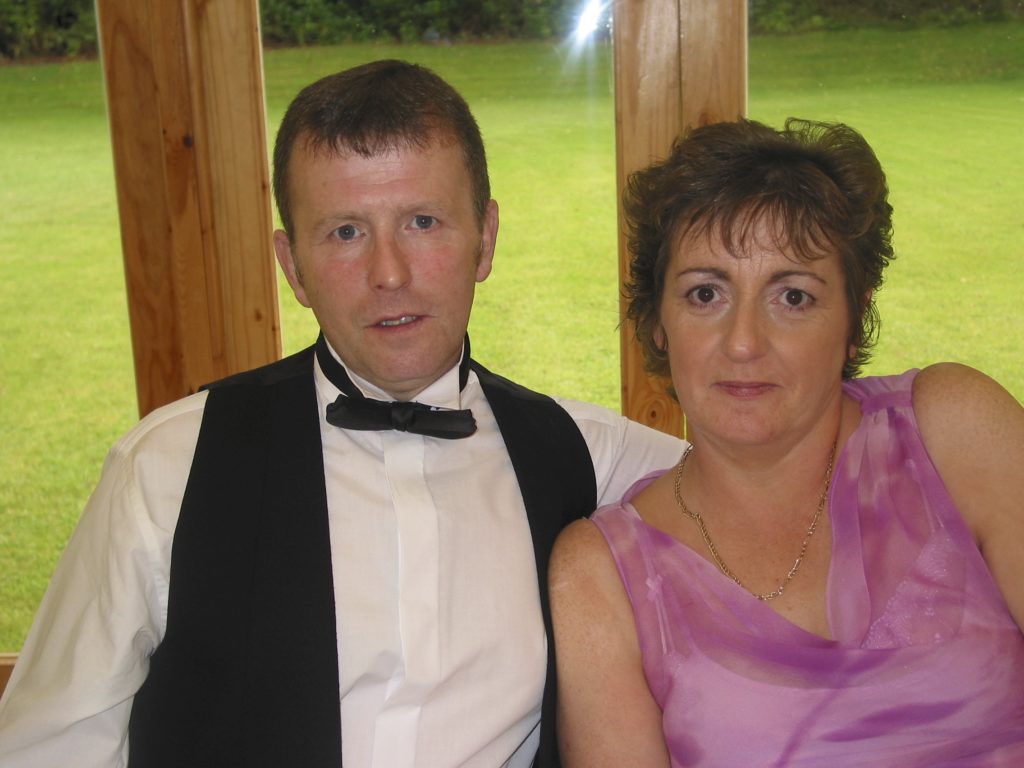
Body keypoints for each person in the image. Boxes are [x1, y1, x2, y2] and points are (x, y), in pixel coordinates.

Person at [0, 60, 684, 767]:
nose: (389, 273)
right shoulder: (167, 468)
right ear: (292, 265)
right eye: (346, 232)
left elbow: (753, 486)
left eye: (423, 222)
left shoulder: (587, 455)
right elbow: (52, 747)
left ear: (485, 238)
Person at [549, 117, 1024, 766]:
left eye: (793, 296)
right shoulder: (603, 577)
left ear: (854, 319)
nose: (744, 342)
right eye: (706, 293)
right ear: (658, 323)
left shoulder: (952, 432)